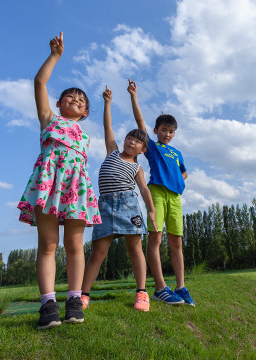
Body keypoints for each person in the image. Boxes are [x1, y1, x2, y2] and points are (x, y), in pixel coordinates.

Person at [17, 32, 101, 329]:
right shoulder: (49, 120)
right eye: (70, 96)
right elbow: (39, 83)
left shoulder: (86, 134)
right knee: (48, 245)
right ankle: (48, 305)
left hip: (76, 188)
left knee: (75, 245)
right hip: (49, 184)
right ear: (59, 102)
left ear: (86, 111)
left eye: (81, 100)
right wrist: (55, 56)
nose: (75, 99)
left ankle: (75, 300)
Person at [80, 85, 158, 312]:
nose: (131, 142)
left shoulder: (137, 167)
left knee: (135, 249)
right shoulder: (112, 150)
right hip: (104, 205)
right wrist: (107, 102)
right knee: (98, 252)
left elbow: (144, 190)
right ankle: (84, 295)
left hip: (128, 206)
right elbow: (107, 126)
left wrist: (151, 211)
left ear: (143, 149)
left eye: (136, 141)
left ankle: (142, 293)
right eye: (129, 138)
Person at [128, 79, 195, 306]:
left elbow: (184, 173)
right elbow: (140, 122)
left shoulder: (177, 153)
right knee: (155, 238)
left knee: (177, 242)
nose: (167, 134)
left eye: (171, 131)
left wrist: (177, 179)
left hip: (175, 198)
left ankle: (181, 287)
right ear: (156, 131)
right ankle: (160, 288)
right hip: (157, 192)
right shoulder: (153, 148)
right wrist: (134, 97)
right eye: (164, 130)